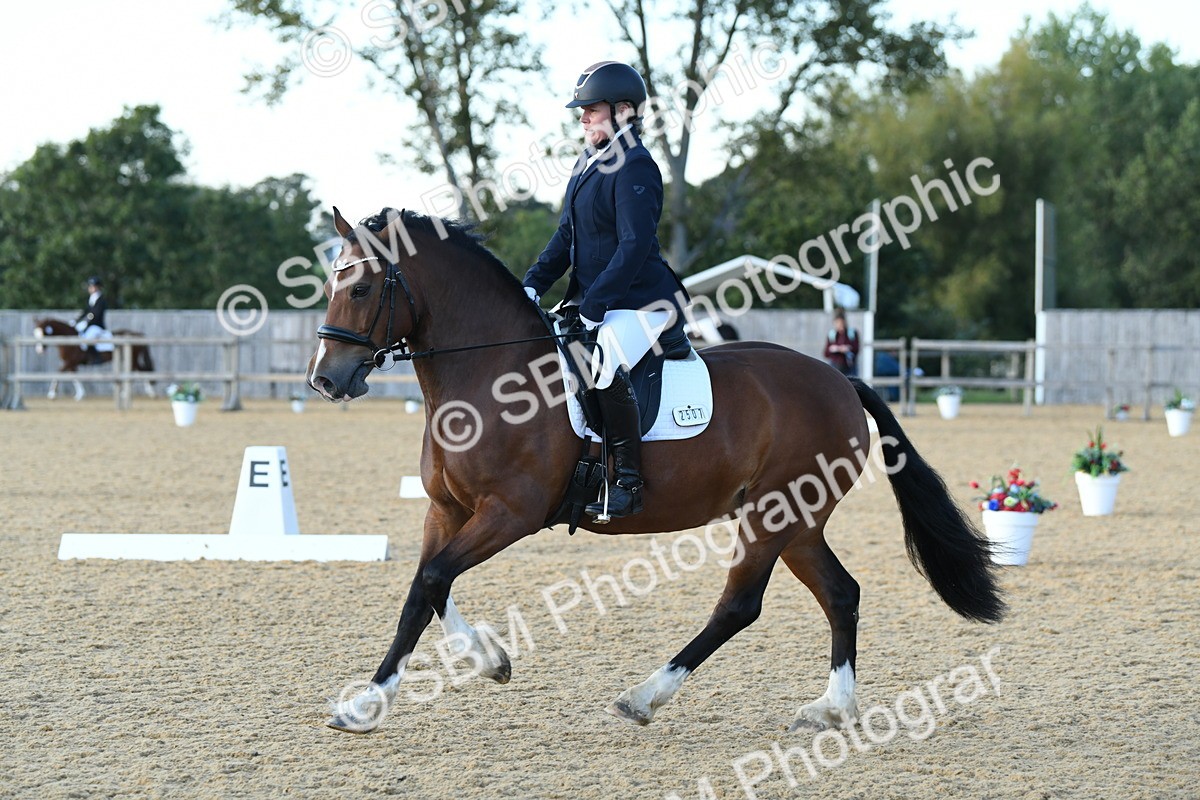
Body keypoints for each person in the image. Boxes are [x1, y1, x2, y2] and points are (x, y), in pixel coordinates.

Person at [523, 60, 689, 521]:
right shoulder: (586, 162)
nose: (582, 118)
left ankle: (628, 482)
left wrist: (593, 308)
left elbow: (634, 246)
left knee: (601, 364)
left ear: (622, 111)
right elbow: (566, 237)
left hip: (643, 301)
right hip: (595, 299)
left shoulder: (636, 164)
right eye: (583, 111)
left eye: (591, 110)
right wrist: (534, 284)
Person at [74, 276, 111, 363]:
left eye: (93, 286)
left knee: (88, 337)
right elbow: (85, 312)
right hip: (89, 324)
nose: (91, 288)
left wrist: (87, 321)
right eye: (90, 286)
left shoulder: (101, 300)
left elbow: (95, 314)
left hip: (96, 325)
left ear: (98, 287)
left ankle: (96, 357)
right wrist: (76, 321)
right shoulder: (90, 299)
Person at [823, 308, 859, 376]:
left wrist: (848, 348)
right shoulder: (832, 334)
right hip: (835, 366)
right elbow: (826, 353)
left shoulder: (851, 333)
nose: (840, 325)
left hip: (849, 366)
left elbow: (856, 349)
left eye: (841, 323)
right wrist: (834, 349)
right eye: (838, 323)